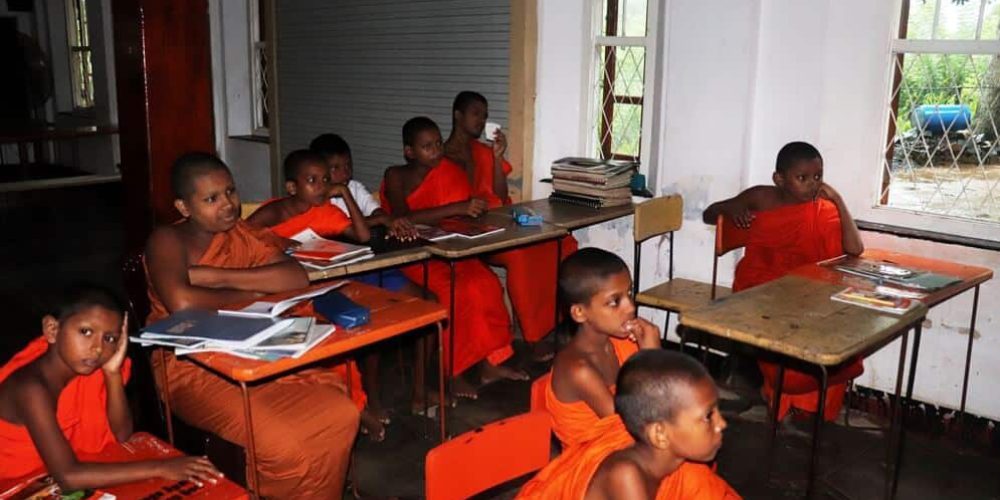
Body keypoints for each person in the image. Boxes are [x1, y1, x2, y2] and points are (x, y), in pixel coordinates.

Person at [144, 152, 359, 499]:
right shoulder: (167, 241)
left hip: (253, 344)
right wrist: (254, 288)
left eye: (230, 192)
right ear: (184, 207)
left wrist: (214, 278)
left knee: (341, 412)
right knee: (287, 443)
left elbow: (294, 276)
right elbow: (181, 303)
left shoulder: (243, 233)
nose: (228, 204)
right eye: (211, 199)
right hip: (192, 363)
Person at [702, 141, 865, 421]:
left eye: (818, 177)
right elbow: (709, 213)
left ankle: (811, 405)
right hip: (760, 286)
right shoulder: (763, 197)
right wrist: (731, 208)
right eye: (802, 178)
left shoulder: (823, 207)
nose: (812, 185)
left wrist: (838, 200)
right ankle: (784, 392)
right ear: (779, 179)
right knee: (791, 325)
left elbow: (855, 249)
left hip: (805, 286)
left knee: (834, 323)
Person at [0, 284, 221, 489]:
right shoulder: (31, 388)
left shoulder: (90, 369)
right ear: (52, 329)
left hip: (52, 473)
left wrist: (112, 374)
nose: (97, 349)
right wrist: (161, 467)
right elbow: (68, 477)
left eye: (110, 338)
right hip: (11, 482)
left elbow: (122, 435)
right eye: (86, 332)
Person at [380, 116, 527, 399]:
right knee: (454, 292)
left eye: (437, 144)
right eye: (426, 146)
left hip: (448, 246)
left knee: (485, 283)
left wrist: (468, 214)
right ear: (409, 152)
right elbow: (402, 217)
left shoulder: (449, 170)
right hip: (415, 255)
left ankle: (490, 363)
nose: (436, 151)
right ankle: (453, 372)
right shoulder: (395, 175)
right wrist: (454, 208)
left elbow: (460, 212)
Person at [247, 148, 387, 441]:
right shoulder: (275, 211)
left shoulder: (326, 210)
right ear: (291, 187)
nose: (321, 187)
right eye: (312, 180)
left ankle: (355, 407)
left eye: (325, 179)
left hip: (318, 286)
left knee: (342, 340)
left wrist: (344, 193)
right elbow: (242, 238)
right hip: (279, 291)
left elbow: (362, 236)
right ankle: (353, 412)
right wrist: (282, 243)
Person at [444, 91, 578, 361]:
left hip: (494, 224)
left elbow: (500, 195)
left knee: (560, 242)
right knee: (520, 254)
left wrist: (496, 157)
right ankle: (531, 336)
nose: (481, 121)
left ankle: (557, 322)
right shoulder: (440, 155)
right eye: (475, 114)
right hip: (461, 232)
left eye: (485, 115)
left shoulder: (482, 152)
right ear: (458, 115)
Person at [518, 350, 740, 499]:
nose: (722, 423)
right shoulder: (625, 477)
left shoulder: (670, 458)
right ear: (659, 434)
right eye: (708, 416)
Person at [539, 248, 660, 449]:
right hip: (593, 462)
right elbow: (633, 429)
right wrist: (652, 358)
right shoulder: (578, 370)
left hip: (627, 449)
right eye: (615, 302)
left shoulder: (623, 342)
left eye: (629, 293)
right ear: (579, 312)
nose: (630, 307)